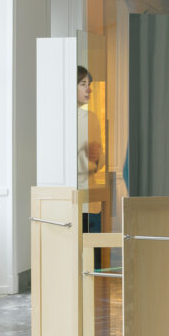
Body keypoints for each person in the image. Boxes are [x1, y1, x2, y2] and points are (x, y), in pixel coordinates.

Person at [77, 66, 103, 235]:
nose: (90, 89)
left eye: (89, 83)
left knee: (94, 259)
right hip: (69, 202)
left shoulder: (91, 118)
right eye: (83, 83)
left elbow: (99, 161)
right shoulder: (57, 118)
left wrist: (97, 157)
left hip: (91, 203)